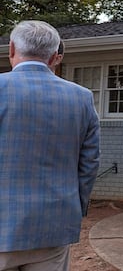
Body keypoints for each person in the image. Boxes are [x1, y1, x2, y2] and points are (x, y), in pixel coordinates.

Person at [0, 20, 101, 271]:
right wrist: (75, 207)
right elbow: (89, 164)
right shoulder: (81, 97)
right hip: (53, 224)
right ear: (56, 57)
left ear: (11, 49)